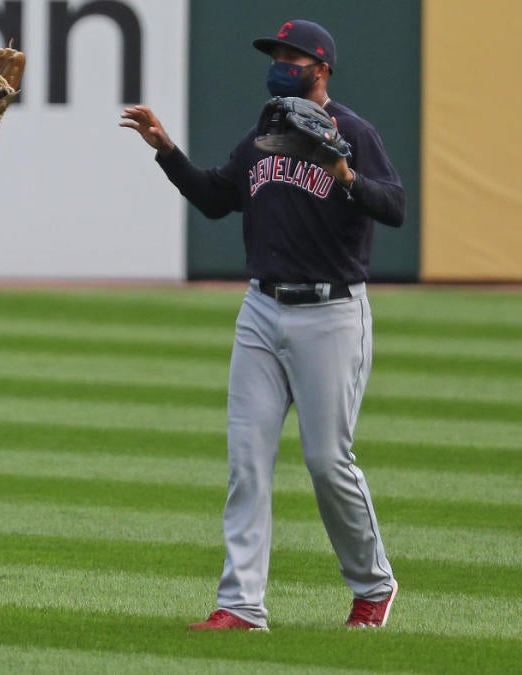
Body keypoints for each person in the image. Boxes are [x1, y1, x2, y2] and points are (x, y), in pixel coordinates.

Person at [120, 19, 403, 630]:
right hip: (261, 310)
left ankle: (373, 585)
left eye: (292, 56)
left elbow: (396, 206)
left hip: (331, 313)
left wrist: (346, 174)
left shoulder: (353, 131)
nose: (280, 63)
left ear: (322, 68)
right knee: (247, 461)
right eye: (276, 54)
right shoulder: (265, 134)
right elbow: (217, 197)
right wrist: (166, 150)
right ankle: (241, 605)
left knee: (328, 461)